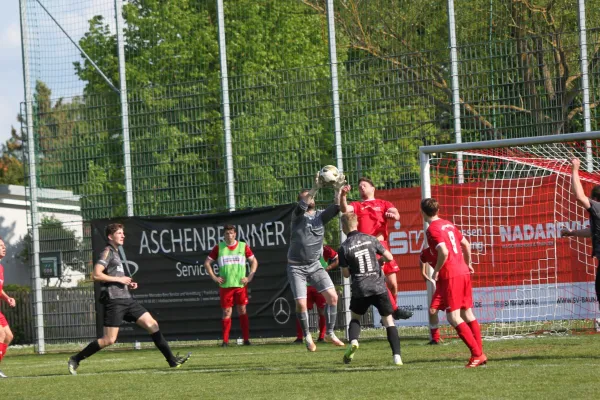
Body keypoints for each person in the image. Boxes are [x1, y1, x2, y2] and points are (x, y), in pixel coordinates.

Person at [68, 224, 191, 375]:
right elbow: (96, 275)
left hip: (127, 299)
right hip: (115, 301)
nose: (123, 235)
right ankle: (76, 359)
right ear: (110, 236)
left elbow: (114, 278)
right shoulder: (107, 252)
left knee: (152, 324)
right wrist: (120, 280)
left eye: (123, 233)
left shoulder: (117, 252)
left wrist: (127, 283)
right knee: (109, 340)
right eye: (119, 233)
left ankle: (172, 361)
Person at [421, 198, 486, 368]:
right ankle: (480, 353)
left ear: (422, 212)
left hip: (451, 274)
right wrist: (469, 263)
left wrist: (435, 271)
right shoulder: (448, 224)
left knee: (453, 317)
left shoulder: (432, 229)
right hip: (463, 270)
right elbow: (465, 243)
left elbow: (443, 251)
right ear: (438, 209)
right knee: (468, 314)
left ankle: (477, 354)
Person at [340, 178, 413, 320]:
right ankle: (393, 310)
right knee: (378, 282)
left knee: (393, 284)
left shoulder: (383, 203)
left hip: (382, 247)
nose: (361, 187)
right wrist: (343, 195)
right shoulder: (357, 205)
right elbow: (344, 209)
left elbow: (395, 213)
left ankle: (392, 309)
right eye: (359, 186)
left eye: (364, 185)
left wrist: (394, 215)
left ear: (373, 188)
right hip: (367, 249)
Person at [288, 174, 345, 352]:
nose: (310, 198)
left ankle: (329, 332)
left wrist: (337, 188)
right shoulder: (297, 216)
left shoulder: (320, 216)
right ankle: (307, 336)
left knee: (333, 297)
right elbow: (303, 204)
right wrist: (315, 187)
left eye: (310, 196)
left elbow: (336, 207)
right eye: (306, 196)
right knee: (302, 304)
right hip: (296, 266)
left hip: (314, 265)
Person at [338, 213, 403, 366]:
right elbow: (389, 257)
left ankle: (354, 341)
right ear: (357, 223)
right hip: (378, 286)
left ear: (343, 227)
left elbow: (346, 274)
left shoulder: (344, 247)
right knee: (389, 321)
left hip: (360, 288)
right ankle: (397, 357)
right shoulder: (370, 239)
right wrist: (379, 261)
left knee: (355, 318)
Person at [204, 224, 258, 347]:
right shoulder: (219, 247)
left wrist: (250, 276)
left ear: (235, 234)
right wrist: (214, 277)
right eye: (227, 233)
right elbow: (207, 263)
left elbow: (254, 261)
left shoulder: (243, 246)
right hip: (225, 286)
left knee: (242, 310)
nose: (229, 235)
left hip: (240, 285)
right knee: (227, 312)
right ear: (224, 235)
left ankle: (246, 340)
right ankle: (225, 341)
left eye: (232, 233)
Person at [560, 157, 600, 312]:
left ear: (595, 199)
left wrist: (575, 169)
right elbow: (593, 231)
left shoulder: (597, 207)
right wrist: (573, 233)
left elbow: (579, 196)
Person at [293, 245, 339, 343]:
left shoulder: (325, 248)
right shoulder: (302, 248)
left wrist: (328, 267)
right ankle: (300, 337)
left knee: (322, 310)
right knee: (301, 308)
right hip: (305, 284)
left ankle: (322, 336)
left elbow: (337, 259)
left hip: (320, 284)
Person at [0, 239, 16, 378]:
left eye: (4, 245)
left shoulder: (0, 268)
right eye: (0, 246)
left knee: (8, 336)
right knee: (1, 334)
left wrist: (7, 298)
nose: (4, 248)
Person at [420, 246, 441, 345]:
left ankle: (472, 336)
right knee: (432, 310)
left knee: (458, 314)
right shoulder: (426, 251)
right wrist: (423, 272)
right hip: (440, 285)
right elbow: (421, 258)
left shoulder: (443, 249)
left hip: (452, 283)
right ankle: (435, 338)